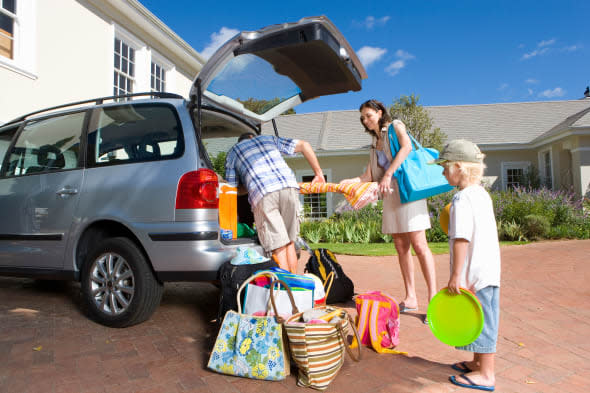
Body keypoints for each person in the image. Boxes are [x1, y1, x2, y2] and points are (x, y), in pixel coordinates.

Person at [340, 99, 437, 317]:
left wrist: (389, 173)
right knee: (401, 247)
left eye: (368, 115)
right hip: (390, 195)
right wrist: (349, 182)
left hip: (407, 191)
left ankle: (433, 301)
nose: (365, 121)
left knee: (420, 246)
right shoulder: (375, 144)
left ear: (379, 112)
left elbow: (407, 147)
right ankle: (411, 297)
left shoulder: (395, 126)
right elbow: (368, 176)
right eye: (363, 118)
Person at [433, 139, 500, 392]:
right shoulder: (482, 194)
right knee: (481, 318)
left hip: (473, 274)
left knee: (483, 323)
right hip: (488, 272)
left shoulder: (461, 199)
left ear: (458, 167)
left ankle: (486, 374)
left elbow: (462, 239)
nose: (442, 172)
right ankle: (476, 362)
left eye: (444, 167)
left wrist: (455, 276)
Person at [225, 132, 325, 273]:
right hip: (289, 187)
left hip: (264, 195)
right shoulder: (268, 138)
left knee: (278, 248)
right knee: (290, 242)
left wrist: (250, 184)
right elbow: (304, 145)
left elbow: (231, 189)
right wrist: (318, 173)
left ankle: (285, 290)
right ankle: (294, 287)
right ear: (253, 137)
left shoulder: (233, 152)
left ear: (239, 141)